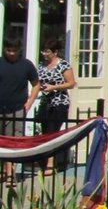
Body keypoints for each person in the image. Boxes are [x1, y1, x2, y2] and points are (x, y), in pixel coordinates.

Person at [0, 37, 40, 186]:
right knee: (2, 142)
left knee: (13, 143)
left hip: (17, 108)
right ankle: (5, 171)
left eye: (14, 50)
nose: (11, 53)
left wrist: (29, 102)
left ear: (19, 50)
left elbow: (36, 84)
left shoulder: (26, 65)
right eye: (8, 50)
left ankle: (10, 175)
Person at [35, 39, 76, 180]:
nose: (44, 54)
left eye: (47, 51)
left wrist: (54, 87)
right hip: (46, 102)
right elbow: (38, 82)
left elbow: (71, 83)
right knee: (45, 132)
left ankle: (51, 164)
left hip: (59, 102)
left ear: (55, 52)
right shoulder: (41, 65)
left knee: (53, 132)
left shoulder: (63, 65)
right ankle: (45, 160)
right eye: (43, 51)